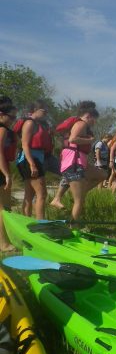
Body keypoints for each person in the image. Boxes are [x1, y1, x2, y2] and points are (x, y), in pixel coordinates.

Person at [59, 101, 106, 220]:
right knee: (79, 201)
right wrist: (89, 141)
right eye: (94, 119)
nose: (94, 122)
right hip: (74, 163)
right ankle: (73, 226)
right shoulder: (81, 124)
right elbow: (73, 139)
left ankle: (81, 192)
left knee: (102, 175)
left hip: (80, 162)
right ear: (88, 116)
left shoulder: (81, 124)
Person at [15, 100, 53, 219]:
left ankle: (26, 221)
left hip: (33, 159)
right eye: (43, 110)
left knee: (29, 194)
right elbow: (25, 144)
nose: (46, 112)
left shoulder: (38, 124)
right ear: (35, 110)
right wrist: (32, 164)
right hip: (30, 159)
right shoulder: (29, 123)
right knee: (42, 194)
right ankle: (41, 224)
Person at [0, 96, 17, 251]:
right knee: (2, 208)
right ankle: (3, 243)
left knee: (5, 207)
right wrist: (6, 174)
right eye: (11, 117)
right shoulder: (2, 129)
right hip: (0, 170)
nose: (13, 120)